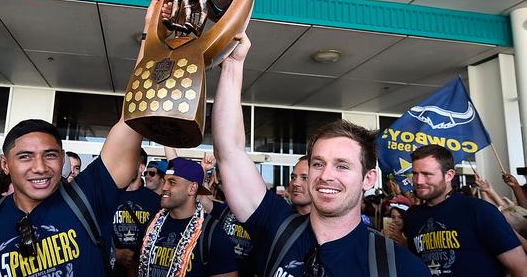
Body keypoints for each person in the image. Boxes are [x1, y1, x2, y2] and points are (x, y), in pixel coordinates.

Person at [0, 0, 169, 276]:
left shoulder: (87, 197)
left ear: (62, 158)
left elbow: (132, 117)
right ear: (5, 164)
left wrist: (152, 36)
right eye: (25, 157)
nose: (40, 167)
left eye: (50, 155)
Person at [211, 31, 430, 276]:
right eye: (318, 164)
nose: (326, 175)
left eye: (342, 166)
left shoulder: (400, 267)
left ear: (368, 179)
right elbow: (229, 151)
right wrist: (232, 64)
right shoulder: (277, 226)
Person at [404, 144, 527, 276]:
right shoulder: (413, 217)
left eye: (427, 174)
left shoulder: (479, 211)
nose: (418, 181)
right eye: (415, 174)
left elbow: (520, 268)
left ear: (449, 175)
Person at [137, 158, 238, 277]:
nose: (164, 187)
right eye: (164, 181)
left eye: (172, 182)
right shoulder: (152, 225)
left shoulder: (213, 233)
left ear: (192, 188)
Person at [113, 148, 160, 277]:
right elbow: (97, 235)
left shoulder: (155, 201)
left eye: (129, 162)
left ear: (141, 167)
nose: (124, 166)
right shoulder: (110, 196)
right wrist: (115, 253)